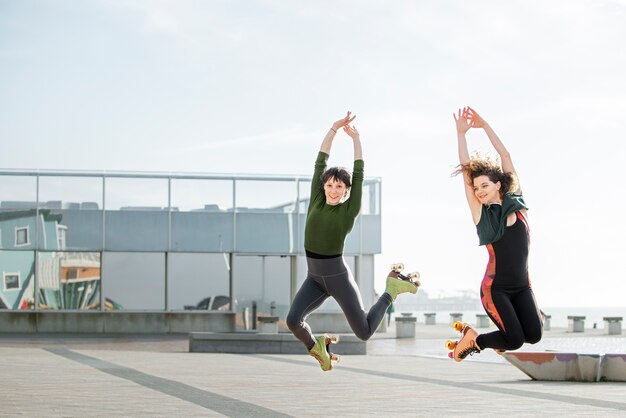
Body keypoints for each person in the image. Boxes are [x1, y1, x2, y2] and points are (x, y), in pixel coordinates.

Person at [286, 111, 419, 371]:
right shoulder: (316, 198)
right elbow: (320, 161)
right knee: (293, 320)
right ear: (323, 186)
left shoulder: (349, 210)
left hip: (337, 276)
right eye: (330, 185)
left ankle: (391, 291)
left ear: (346, 191)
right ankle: (317, 346)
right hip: (314, 278)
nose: (333, 190)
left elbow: (359, 172)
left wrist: (356, 140)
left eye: (339, 187)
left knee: (364, 331)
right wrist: (334, 129)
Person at [451, 106, 542, 361]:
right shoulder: (483, 216)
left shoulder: (518, 203)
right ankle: (474, 339)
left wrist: (485, 125)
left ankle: (499, 338)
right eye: (476, 187)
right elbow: (465, 171)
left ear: (498, 184)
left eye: (484, 185)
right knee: (514, 339)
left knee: (533, 335)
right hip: (496, 288)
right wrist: (461, 135)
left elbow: (505, 155)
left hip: (523, 285)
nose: (479, 190)